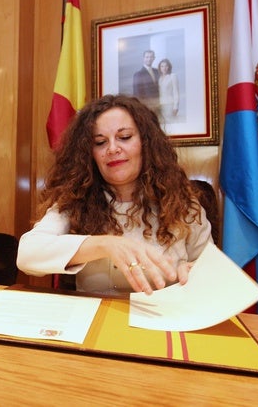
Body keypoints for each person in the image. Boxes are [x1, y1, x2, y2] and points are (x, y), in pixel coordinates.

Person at [17, 94, 213, 295]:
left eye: (125, 137)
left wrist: (194, 272)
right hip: (97, 319)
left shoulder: (182, 203)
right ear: (90, 154)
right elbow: (27, 254)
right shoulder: (75, 201)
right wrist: (104, 244)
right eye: (100, 142)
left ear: (146, 144)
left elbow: (214, 272)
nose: (112, 149)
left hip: (165, 317)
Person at [158, 58, 179, 123]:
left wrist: (176, 106)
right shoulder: (159, 78)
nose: (164, 68)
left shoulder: (172, 76)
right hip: (160, 105)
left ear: (169, 67)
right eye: (162, 66)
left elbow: (176, 92)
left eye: (166, 66)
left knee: (169, 122)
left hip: (169, 104)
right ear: (160, 68)